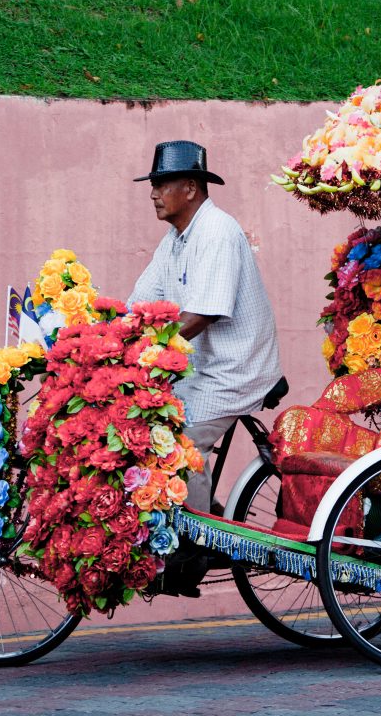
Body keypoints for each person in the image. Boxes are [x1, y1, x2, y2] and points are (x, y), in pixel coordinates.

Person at [128, 140, 283, 514]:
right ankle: (203, 508)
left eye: (162, 184)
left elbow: (203, 315)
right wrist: (105, 336)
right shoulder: (174, 241)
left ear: (191, 188)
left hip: (235, 371)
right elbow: (138, 305)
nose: (153, 194)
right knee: (144, 429)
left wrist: (144, 350)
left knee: (180, 444)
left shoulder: (217, 231)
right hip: (202, 370)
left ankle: (193, 543)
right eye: (153, 185)